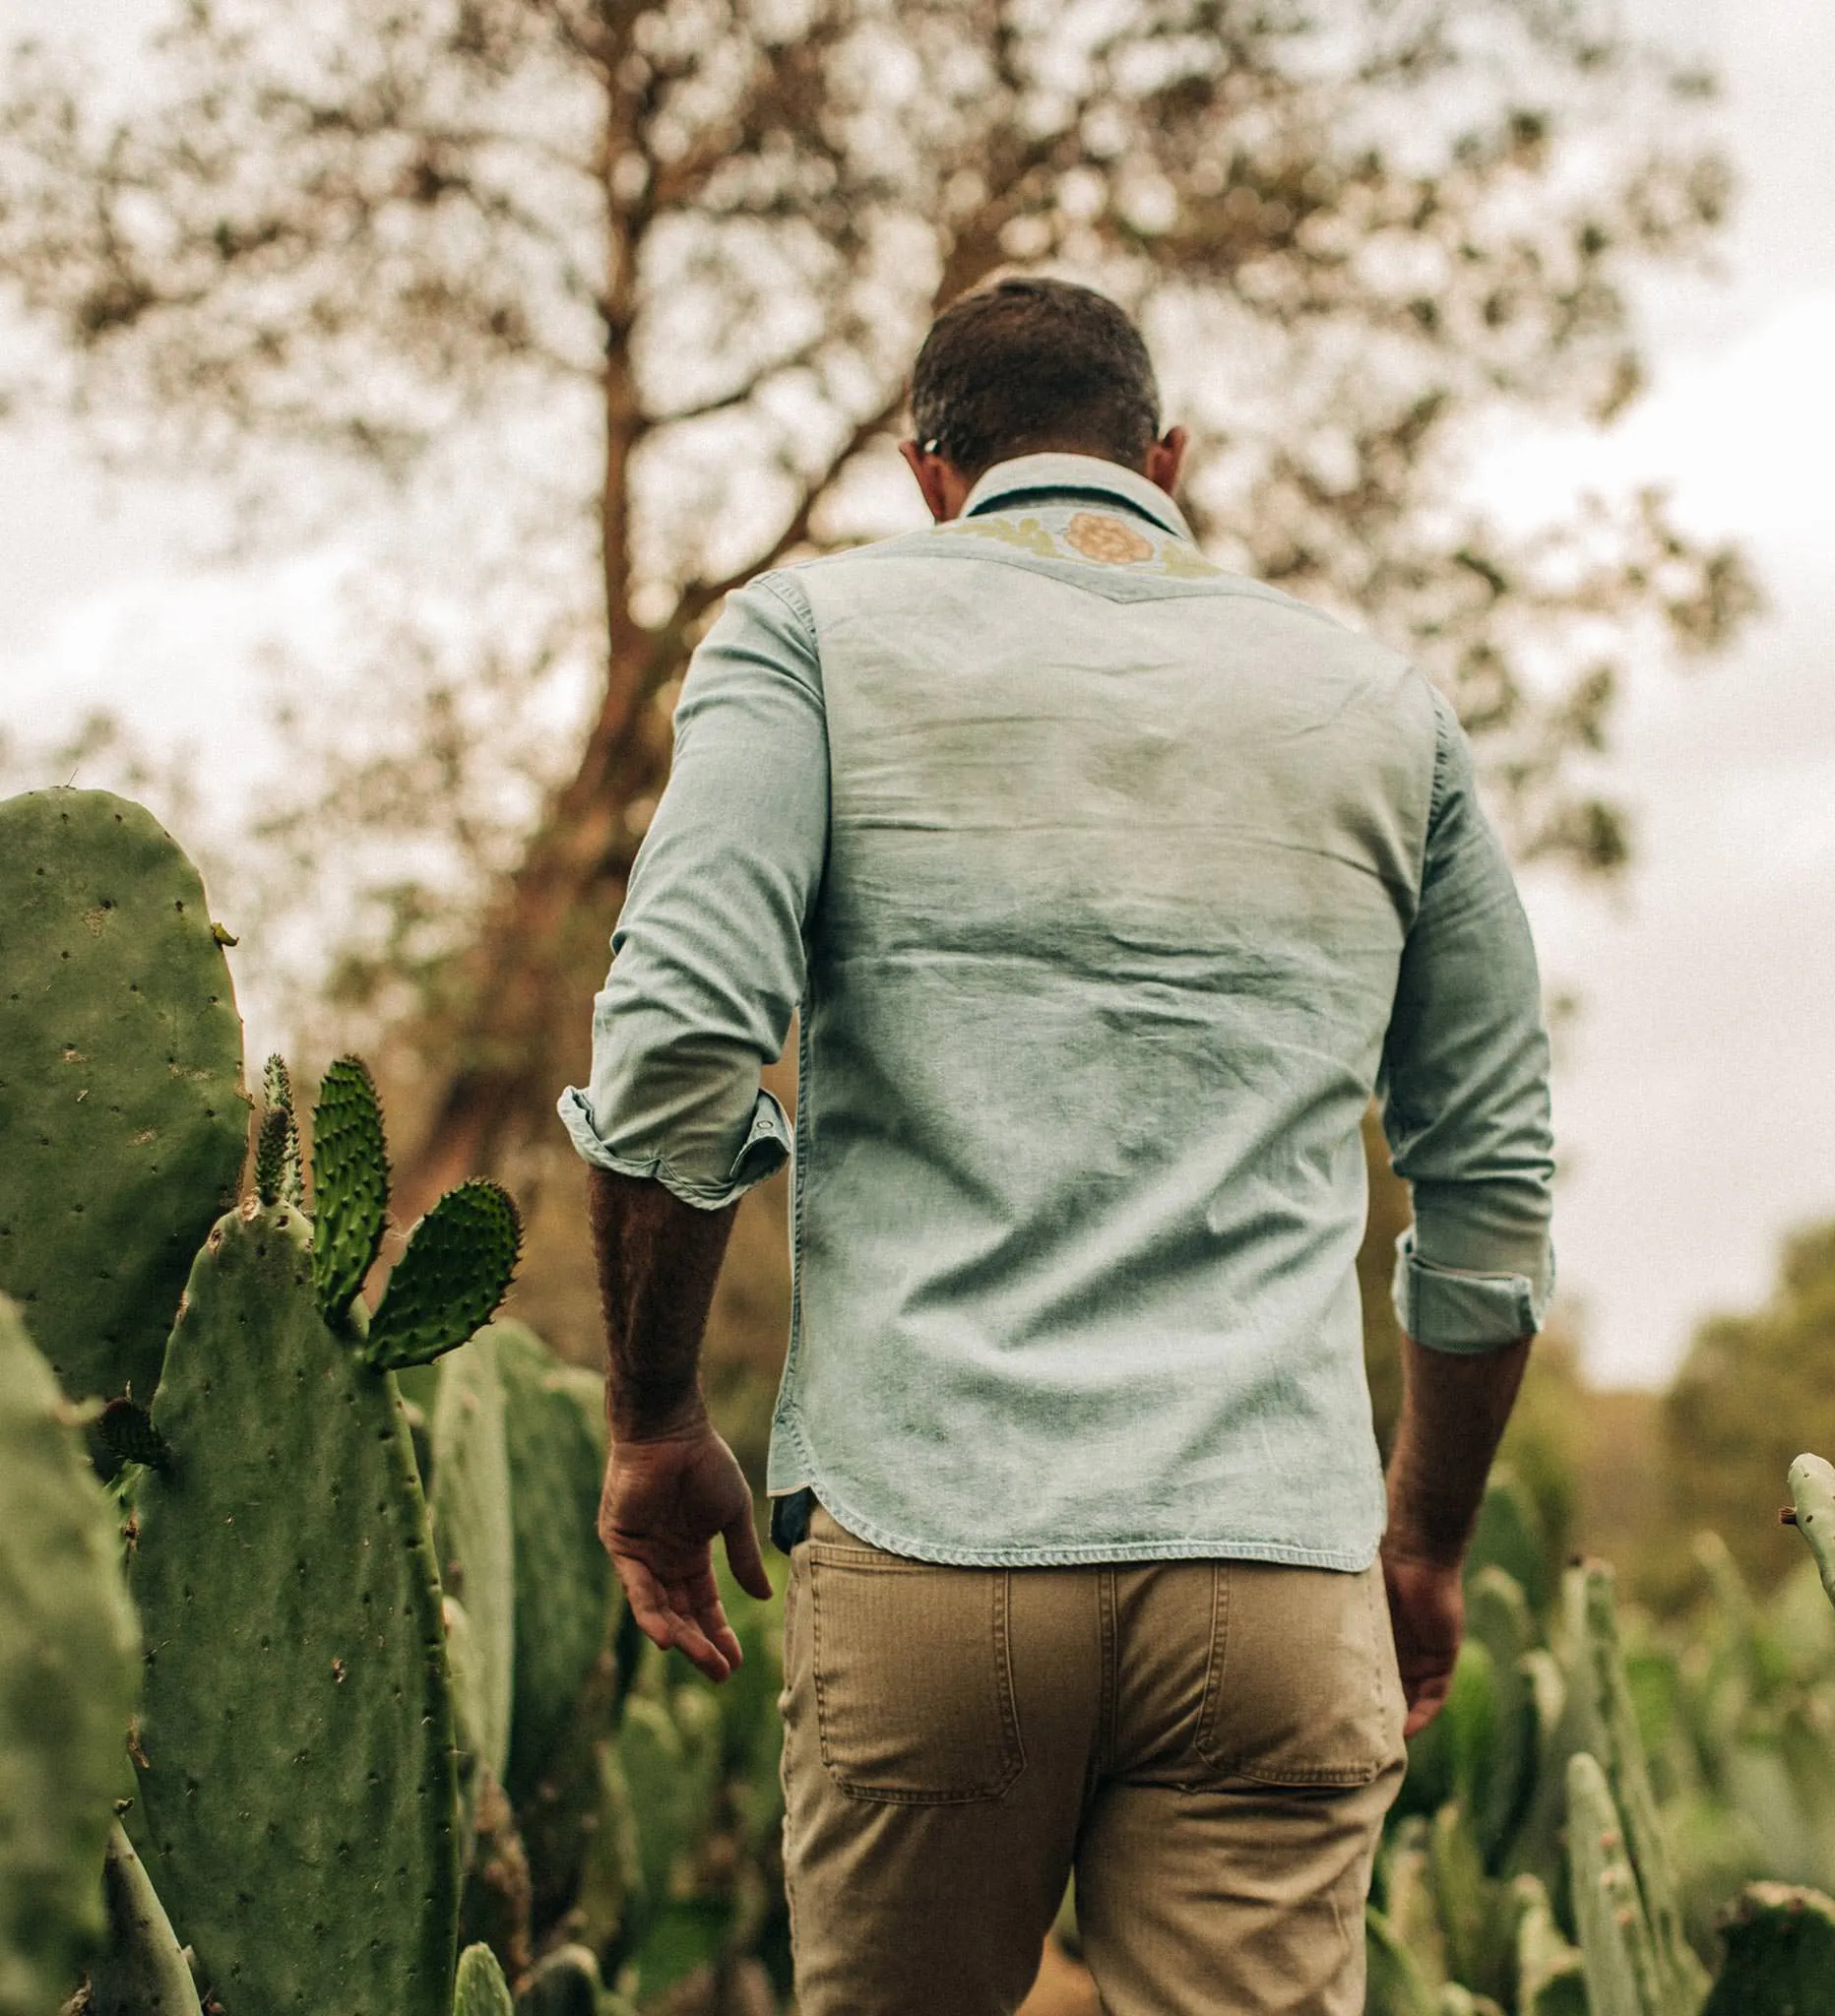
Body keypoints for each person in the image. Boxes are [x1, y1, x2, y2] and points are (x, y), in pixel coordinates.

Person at [559, 275, 1553, 2016]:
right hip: (1276, 1563)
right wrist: (1425, 1545)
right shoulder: (1386, 707)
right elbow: (1491, 1184)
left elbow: (681, 1046)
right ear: (1166, 457)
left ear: (927, 474)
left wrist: (653, 1419)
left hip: (932, 1548)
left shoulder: (805, 637)